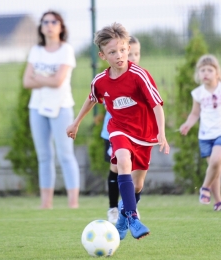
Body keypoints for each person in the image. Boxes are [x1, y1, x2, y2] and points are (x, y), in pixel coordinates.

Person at [66, 22, 169, 240]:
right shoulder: (100, 81)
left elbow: (157, 104)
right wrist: (75, 122)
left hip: (144, 133)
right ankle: (132, 216)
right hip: (119, 129)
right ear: (103, 55)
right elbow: (92, 99)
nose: (120, 55)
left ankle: (123, 216)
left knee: (138, 184)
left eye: (123, 50)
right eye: (113, 52)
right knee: (122, 160)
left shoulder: (139, 75)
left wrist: (161, 132)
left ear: (128, 49)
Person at [23, 10, 80, 209]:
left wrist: (39, 78)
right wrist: (46, 80)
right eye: (45, 21)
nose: (49, 25)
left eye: (53, 21)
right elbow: (26, 81)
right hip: (37, 108)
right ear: (41, 26)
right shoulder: (36, 50)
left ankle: (73, 203)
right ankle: (46, 204)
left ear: (61, 26)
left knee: (65, 154)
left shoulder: (66, 50)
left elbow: (58, 81)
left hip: (61, 107)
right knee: (44, 156)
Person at [101, 36, 141, 224]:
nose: (131, 57)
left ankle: (129, 207)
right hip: (115, 130)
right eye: (128, 53)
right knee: (116, 166)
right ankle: (113, 208)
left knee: (134, 172)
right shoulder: (109, 76)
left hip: (136, 132)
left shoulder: (139, 76)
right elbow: (99, 95)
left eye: (135, 54)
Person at [179, 54, 221, 211]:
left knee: (216, 161)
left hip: (220, 133)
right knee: (214, 169)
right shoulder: (198, 93)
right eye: (202, 70)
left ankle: (204, 187)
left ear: (217, 72)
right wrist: (188, 124)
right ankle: (218, 201)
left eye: (209, 70)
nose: (205, 73)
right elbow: (195, 114)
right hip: (205, 136)